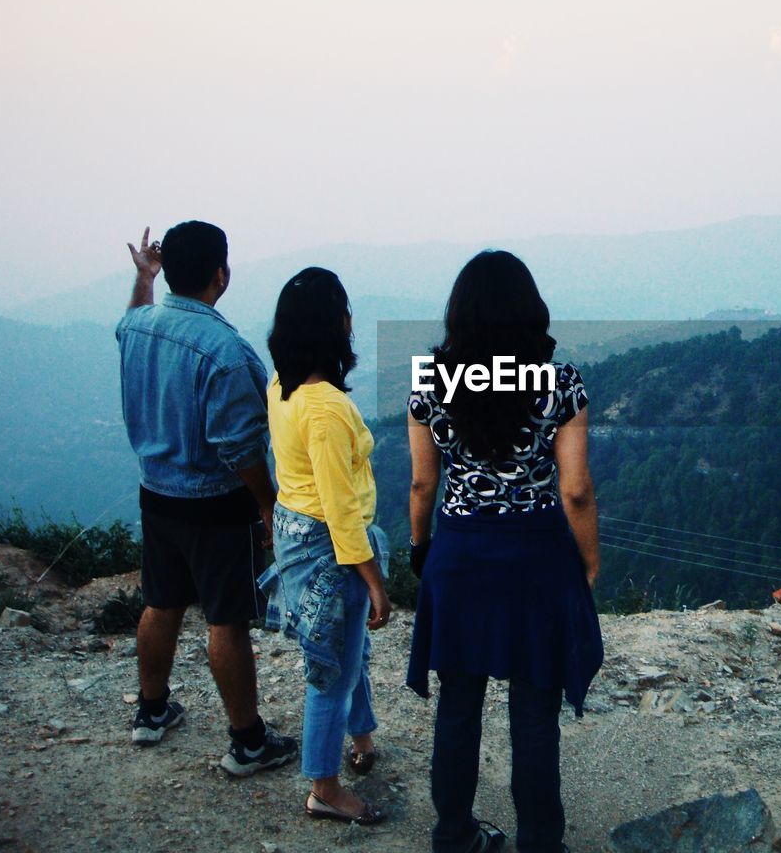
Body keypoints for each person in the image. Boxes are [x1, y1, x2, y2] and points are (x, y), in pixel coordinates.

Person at [406, 250, 604, 853]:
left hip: (460, 555)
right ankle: (541, 841)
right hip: (536, 559)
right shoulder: (559, 383)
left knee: (459, 707)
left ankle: (454, 834)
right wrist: (589, 562)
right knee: (535, 717)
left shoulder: (430, 382)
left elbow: (421, 484)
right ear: (529, 311)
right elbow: (574, 490)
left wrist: (421, 549)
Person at [116, 223, 298, 776]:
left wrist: (143, 280)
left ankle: (151, 712)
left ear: (168, 269)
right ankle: (247, 741)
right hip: (215, 505)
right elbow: (238, 448)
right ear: (222, 274)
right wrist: (269, 506)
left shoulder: (140, 326)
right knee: (227, 620)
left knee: (161, 602)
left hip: (156, 492)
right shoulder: (229, 353)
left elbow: (129, 321)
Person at [259, 267, 392, 824]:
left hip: (295, 537)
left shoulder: (281, 387)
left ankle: (360, 739)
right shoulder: (328, 408)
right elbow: (340, 513)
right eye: (346, 310)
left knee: (343, 650)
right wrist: (376, 582)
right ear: (335, 326)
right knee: (330, 670)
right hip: (330, 550)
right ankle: (324, 786)